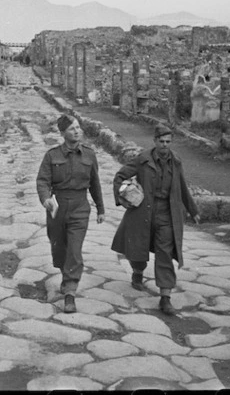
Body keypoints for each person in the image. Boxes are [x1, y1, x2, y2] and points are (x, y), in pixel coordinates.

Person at [111, 124, 200, 315]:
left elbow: (182, 186)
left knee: (165, 253)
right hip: (143, 210)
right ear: (155, 141)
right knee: (139, 246)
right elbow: (120, 176)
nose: (165, 145)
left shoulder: (175, 162)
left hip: (167, 213)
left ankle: (165, 297)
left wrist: (193, 210)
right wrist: (124, 197)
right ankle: (137, 273)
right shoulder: (143, 159)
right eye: (161, 141)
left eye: (168, 142)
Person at [37, 114, 105, 313]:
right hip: (57, 208)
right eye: (72, 129)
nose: (77, 131)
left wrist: (101, 209)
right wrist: (46, 199)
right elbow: (43, 181)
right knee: (59, 250)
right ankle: (66, 273)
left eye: (78, 127)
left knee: (74, 250)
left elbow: (95, 184)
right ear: (62, 133)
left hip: (80, 207)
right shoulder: (52, 156)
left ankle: (70, 292)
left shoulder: (89, 155)